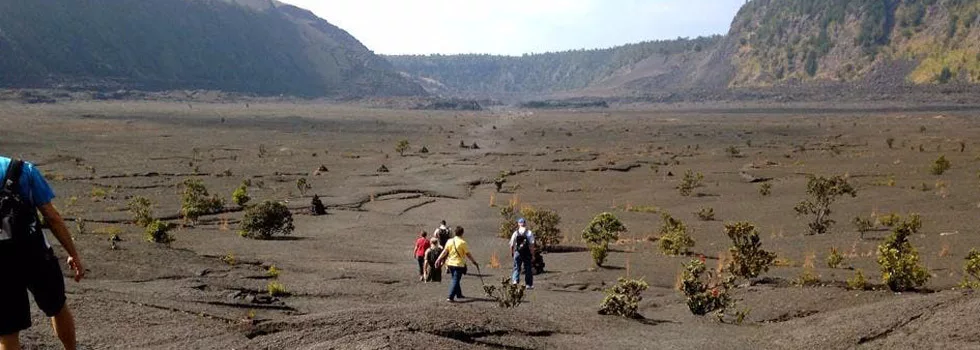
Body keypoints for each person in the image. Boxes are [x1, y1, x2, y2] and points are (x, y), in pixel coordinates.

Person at [0, 157, 85, 350]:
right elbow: (52, 217)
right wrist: (73, 254)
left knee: (8, 333)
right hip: (34, 253)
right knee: (57, 307)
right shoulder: (22, 169)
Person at [435, 226, 478, 302]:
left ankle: (459, 294)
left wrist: (438, 259)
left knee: (455, 279)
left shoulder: (449, 241)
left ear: (455, 232)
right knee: (455, 279)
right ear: (462, 233)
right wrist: (474, 262)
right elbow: (468, 254)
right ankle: (450, 297)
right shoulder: (462, 242)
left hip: (450, 263)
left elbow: (445, 252)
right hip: (459, 264)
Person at [509, 218, 535, 289]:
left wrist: (512, 252)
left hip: (518, 252)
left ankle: (515, 281)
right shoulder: (529, 232)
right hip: (527, 253)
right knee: (528, 268)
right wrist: (532, 254)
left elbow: (512, 244)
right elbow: (532, 245)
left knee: (516, 267)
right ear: (525, 223)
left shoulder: (515, 233)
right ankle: (528, 285)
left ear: (518, 224)